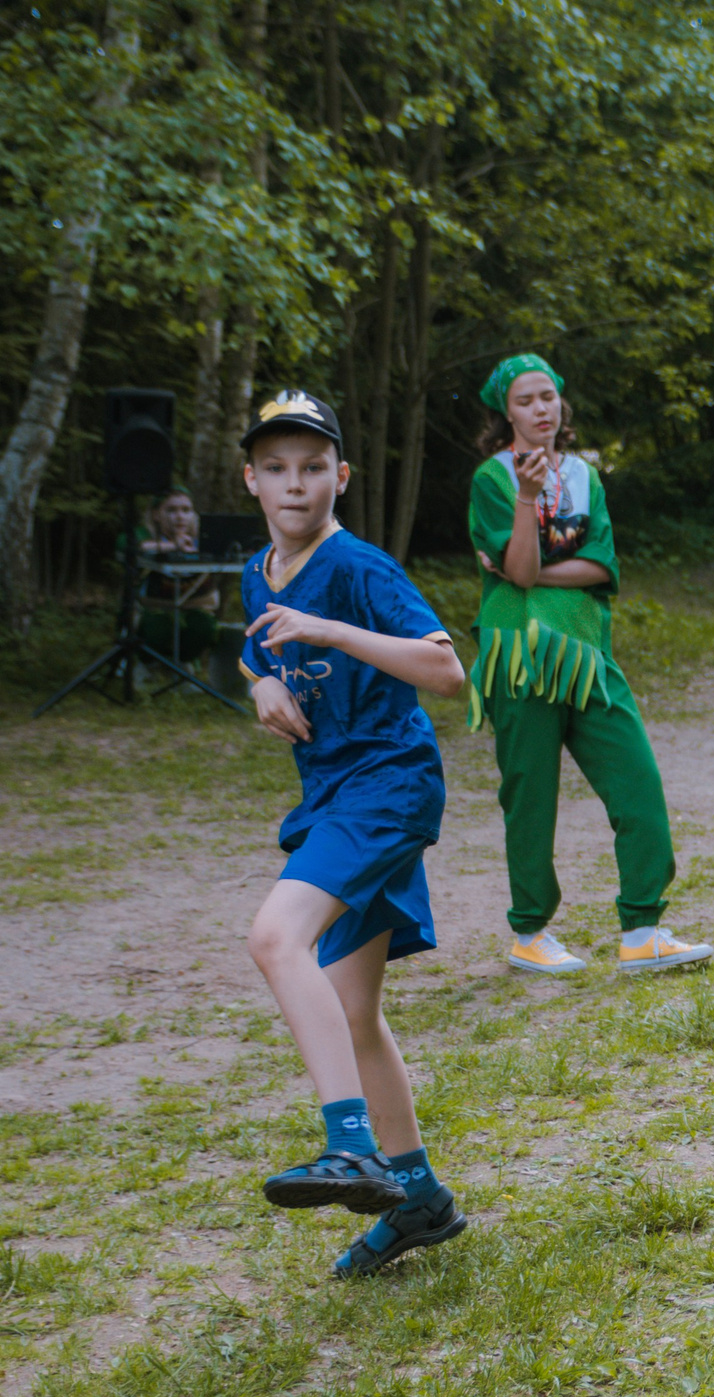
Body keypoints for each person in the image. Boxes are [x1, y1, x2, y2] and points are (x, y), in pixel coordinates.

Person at [232, 390, 472, 1278]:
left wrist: (333, 628)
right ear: (252, 480)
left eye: (314, 467)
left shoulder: (361, 568)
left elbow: (447, 671)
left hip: (386, 788)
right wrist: (257, 679)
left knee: (273, 937)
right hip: (333, 795)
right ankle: (419, 1201)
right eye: (278, 469)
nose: (297, 485)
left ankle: (351, 1145)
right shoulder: (259, 568)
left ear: (343, 474)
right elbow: (259, 643)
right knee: (355, 1008)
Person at [466, 354, 713, 977]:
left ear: (562, 402)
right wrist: (526, 505)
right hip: (518, 656)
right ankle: (529, 933)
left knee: (637, 781)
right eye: (526, 401)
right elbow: (518, 570)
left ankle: (643, 929)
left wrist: (528, 571)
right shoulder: (491, 482)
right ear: (506, 412)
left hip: (585, 651)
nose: (541, 409)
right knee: (531, 796)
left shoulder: (586, 476)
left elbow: (601, 568)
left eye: (548, 396)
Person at [126, 487, 222, 662]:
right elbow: (129, 545)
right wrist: (173, 546)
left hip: (196, 605)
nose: (180, 517)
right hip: (153, 606)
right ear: (156, 514)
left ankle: (185, 665)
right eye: (171, 510)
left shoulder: (204, 539)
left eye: (186, 510)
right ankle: (146, 664)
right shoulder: (146, 535)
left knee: (204, 626)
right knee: (158, 625)